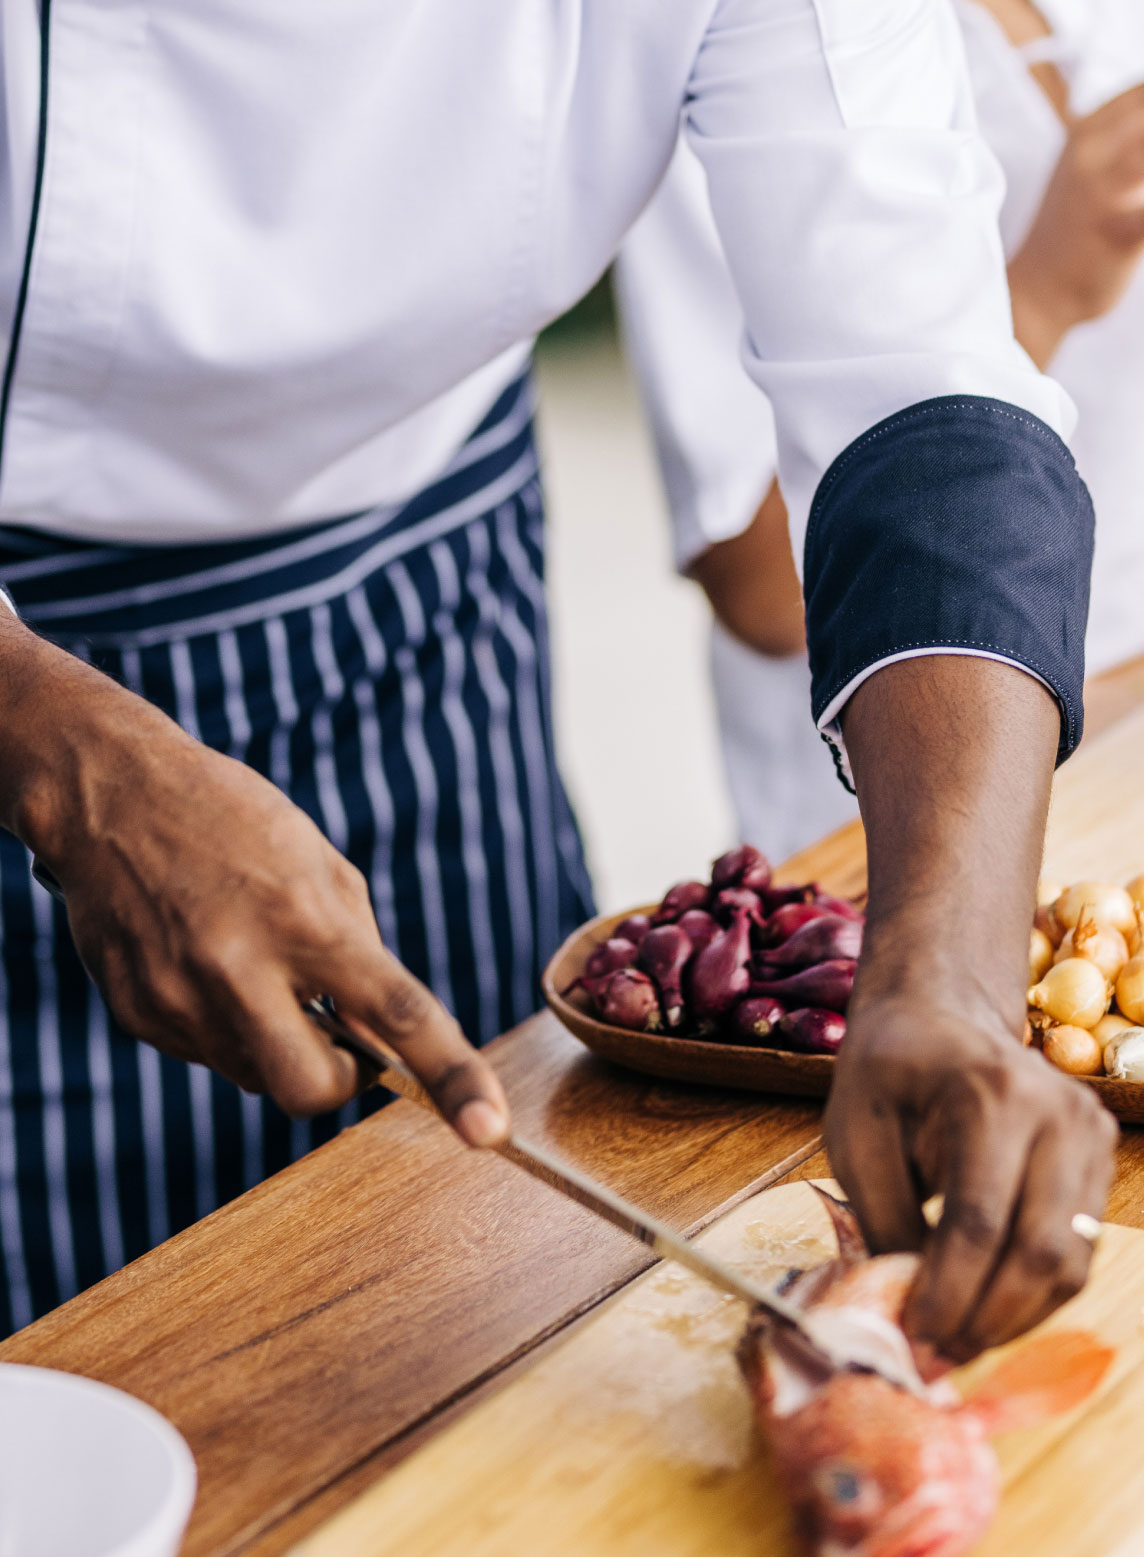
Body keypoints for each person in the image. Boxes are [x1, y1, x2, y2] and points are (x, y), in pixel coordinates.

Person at [0, 2, 1114, 1361]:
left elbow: (922, 400)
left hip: (417, 596)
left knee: (478, 1321)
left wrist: (951, 973)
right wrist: (56, 751)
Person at [618, 0, 1144, 860]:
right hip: (878, 842)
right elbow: (761, 592)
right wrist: (1048, 287)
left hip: (1121, 766)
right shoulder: (716, 50)